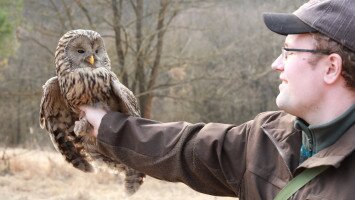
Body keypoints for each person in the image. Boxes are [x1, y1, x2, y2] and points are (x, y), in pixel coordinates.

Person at [80, 0, 355, 199]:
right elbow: (186, 147)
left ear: (331, 68)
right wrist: (106, 125)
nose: (276, 64)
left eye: (288, 52)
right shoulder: (267, 137)